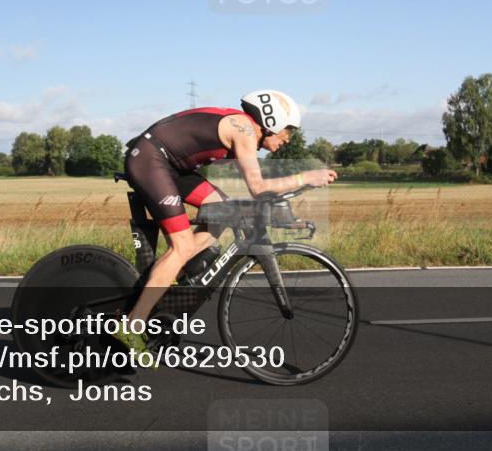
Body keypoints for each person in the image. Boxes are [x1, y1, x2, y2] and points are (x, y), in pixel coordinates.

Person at [114, 89, 337, 358]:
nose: (288, 139)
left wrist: (288, 216)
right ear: (271, 121)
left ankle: (169, 279)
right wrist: (306, 178)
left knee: (223, 212)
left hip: (174, 166)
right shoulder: (243, 129)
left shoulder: (246, 132)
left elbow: (256, 192)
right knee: (182, 247)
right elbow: (258, 187)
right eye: (287, 130)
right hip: (152, 160)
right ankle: (131, 325)